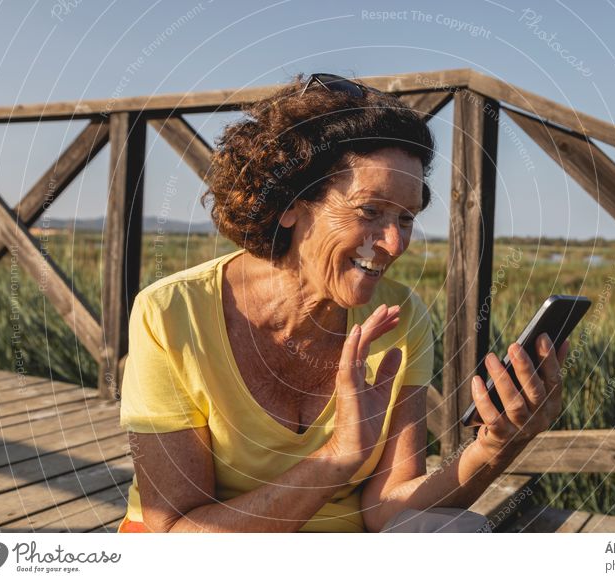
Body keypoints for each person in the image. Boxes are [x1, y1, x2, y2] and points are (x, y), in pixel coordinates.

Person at [117, 73, 568, 533]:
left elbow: (390, 511)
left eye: (406, 218)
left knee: (456, 531)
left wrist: (494, 446)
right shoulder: (171, 314)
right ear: (289, 203)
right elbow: (173, 534)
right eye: (370, 211)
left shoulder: (402, 317)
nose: (393, 243)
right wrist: (337, 458)